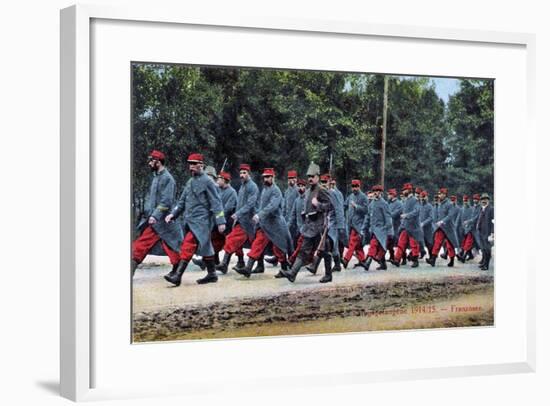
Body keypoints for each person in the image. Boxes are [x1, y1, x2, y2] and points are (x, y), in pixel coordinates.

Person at [163, 153, 226, 286]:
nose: (191, 167)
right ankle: (212, 274)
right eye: (190, 164)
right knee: (206, 247)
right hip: (190, 221)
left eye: (194, 164)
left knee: (188, 245)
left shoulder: (208, 182)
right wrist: (173, 214)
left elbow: (217, 202)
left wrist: (221, 221)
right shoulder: (190, 182)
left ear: (201, 165)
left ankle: (177, 276)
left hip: (202, 222)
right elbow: (181, 202)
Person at [131, 150, 183, 277]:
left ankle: (177, 272)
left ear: (158, 162)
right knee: (152, 244)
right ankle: (176, 272)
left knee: (170, 245)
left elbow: (166, 201)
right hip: (156, 221)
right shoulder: (156, 177)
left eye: (151, 161)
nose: (149, 163)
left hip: (164, 221)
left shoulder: (168, 179)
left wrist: (155, 215)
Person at [280, 162, 334, 283]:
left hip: (320, 226)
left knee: (325, 251)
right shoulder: (308, 192)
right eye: (308, 176)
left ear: (317, 177)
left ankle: (328, 275)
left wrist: (318, 204)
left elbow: (330, 206)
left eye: (312, 176)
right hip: (309, 226)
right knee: (303, 250)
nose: (310, 179)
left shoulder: (322, 190)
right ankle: (292, 273)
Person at [234, 168, 293, 278]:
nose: (266, 179)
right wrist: (258, 217)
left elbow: (272, 206)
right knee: (257, 244)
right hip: (265, 224)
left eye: (268, 177)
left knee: (278, 247)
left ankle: (284, 268)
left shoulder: (276, 191)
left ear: (272, 177)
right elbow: (261, 206)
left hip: (276, 224)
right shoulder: (264, 190)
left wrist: (259, 215)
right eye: (264, 177)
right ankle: (248, 268)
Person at [216, 164, 259, 274]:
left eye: (244, 173)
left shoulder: (252, 187)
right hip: (241, 220)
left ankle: (226, 264)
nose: (242, 175)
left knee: (253, 243)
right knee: (236, 241)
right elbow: (240, 203)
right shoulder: (243, 186)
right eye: (240, 173)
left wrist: (238, 213)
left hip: (249, 220)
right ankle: (231, 264)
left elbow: (250, 204)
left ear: (249, 174)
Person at [192, 170, 238, 270]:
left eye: (219, 179)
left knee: (228, 243)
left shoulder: (232, 192)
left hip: (227, 222)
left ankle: (222, 264)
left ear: (225, 180)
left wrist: (217, 215)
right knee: (213, 241)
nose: (217, 181)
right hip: (217, 221)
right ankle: (214, 262)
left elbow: (227, 209)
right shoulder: (218, 190)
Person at [390, 183, 422, 268]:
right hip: (405, 226)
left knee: (413, 244)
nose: (403, 191)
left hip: (413, 226)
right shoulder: (405, 200)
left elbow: (416, 211)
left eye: (405, 190)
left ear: (409, 190)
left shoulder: (415, 200)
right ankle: (397, 260)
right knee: (401, 242)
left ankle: (415, 261)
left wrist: (407, 215)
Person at [425, 188, 460, 267]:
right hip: (440, 228)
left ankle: (451, 260)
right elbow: (436, 215)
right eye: (439, 194)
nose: (440, 195)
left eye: (442, 194)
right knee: (437, 243)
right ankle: (432, 260)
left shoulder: (449, 204)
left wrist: (442, 221)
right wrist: (436, 223)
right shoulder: (439, 204)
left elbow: (450, 215)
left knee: (450, 245)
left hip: (449, 228)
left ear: (445, 195)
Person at [361, 184, 393, 271]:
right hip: (373, 229)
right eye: (375, 191)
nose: (376, 193)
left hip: (382, 230)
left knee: (373, 245)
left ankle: (368, 262)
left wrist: (388, 229)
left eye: (379, 192)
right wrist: (364, 227)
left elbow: (388, 217)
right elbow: (367, 217)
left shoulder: (384, 203)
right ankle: (383, 264)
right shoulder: (371, 204)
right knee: (379, 247)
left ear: (381, 193)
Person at [342, 179, 369, 269]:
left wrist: (356, 206)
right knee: (357, 245)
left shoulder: (363, 197)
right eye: (353, 187)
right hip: (350, 224)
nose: (354, 188)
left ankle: (346, 259)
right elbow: (344, 205)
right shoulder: (350, 196)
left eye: (356, 186)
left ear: (359, 186)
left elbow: (366, 210)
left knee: (352, 242)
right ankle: (363, 261)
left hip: (359, 225)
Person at [476, 193, 494, 270]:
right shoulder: (481, 209)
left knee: (487, 248)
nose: (484, 201)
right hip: (481, 232)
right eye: (482, 199)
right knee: (483, 248)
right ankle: (484, 263)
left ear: (488, 200)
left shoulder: (491, 209)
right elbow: (478, 218)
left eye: (485, 199)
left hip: (488, 232)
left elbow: (494, 221)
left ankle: (486, 265)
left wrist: (492, 233)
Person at [387, 188, 403, 262]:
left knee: (399, 243)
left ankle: (403, 258)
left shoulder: (399, 203)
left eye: (389, 194)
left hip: (397, 226)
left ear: (393, 195)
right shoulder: (389, 203)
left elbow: (396, 213)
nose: (388, 196)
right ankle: (392, 256)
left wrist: (388, 215)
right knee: (390, 243)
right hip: (390, 226)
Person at [418, 190, 434, 258]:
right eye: (421, 197)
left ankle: (432, 258)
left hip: (428, 229)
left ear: (427, 197)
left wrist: (423, 223)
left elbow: (431, 218)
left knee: (429, 244)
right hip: (419, 228)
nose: (422, 199)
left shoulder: (429, 206)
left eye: (424, 197)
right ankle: (421, 253)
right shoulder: (419, 206)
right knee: (419, 242)